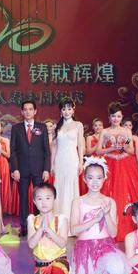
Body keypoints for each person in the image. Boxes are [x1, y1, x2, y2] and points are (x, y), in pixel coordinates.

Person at [69, 157, 126, 274]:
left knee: (118, 266)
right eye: (91, 177)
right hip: (85, 249)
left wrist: (106, 214)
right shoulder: (78, 201)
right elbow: (74, 230)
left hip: (104, 246)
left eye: (99, 177)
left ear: (104, 178)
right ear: (84, 179)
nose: (95, 182)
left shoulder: (109, 202)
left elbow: (113, 233)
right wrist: (94, 219)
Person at [96, 102, 138, 241]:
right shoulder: (105, 131)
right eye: (113, 116)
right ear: (109, 117)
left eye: (118, 116)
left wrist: (124, 147)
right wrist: (111, 148)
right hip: (110, 164)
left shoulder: (126, 131)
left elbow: (131, 150)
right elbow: (99, 150)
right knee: (109, 192)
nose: (116, 119)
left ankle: (129, 225)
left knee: (127, 191)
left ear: (121, 117)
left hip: (125, 165)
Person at [27, 182, 71, 274]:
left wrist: (50, 231)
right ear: (34, 202)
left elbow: (62, 243)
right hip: (41, 264)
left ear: (54, 199)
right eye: (39, 198)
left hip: (58, 261)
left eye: (48, 198)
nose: (44, 202)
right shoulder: (32, 220)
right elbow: (31, 244)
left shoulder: (61, 219)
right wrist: (40, 229)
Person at [9, 100, 51, 237]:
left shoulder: (42, 127)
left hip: (39, 169)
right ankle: (24, 227)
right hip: (22, 170)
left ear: (35, 111)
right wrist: (15, 169)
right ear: (22, 112)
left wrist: (46, 169)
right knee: (23, 199)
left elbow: (46, 150)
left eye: (30, 109)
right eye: (25, 109)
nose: (28, 112)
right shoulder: (16, 128)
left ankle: (39, 225)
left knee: (39, 198)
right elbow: (13, 151)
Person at [52, 97, 85, 227]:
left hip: (72, 160)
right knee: (59, 188)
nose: (66, 111)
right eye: (64, 109)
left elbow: (80, 145)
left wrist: (81, 162)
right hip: (59, 160)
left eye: (69, 109)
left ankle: (72, 223)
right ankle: (58, 222)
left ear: (73, 110)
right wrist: (52, 164)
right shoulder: (57, 126)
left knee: (71, 188)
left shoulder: (78, 125)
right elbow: (54, 146)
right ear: (60, 111)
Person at [0, 121, 12, 217]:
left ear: (1, 129)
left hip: (3, 164)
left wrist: (0, 149)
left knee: (3, 185)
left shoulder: (6, 140)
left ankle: (3, 208)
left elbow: (8, 155)